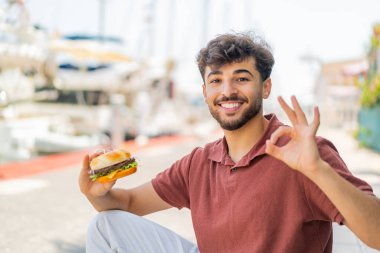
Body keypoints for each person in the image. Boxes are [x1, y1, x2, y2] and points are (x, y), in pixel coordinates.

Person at [79, 32, 380, 253]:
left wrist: (317, 170)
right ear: (205, 91)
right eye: (216, 80)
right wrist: (94, 192)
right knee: (105, 225)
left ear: (265, 88)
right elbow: (127, 203)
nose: (227, 91)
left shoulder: (304, 152)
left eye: (241, 78)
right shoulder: (198, 163)